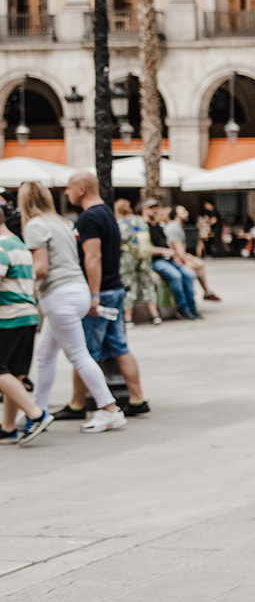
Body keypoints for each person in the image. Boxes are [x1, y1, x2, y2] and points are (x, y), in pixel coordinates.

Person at [16, 182, 124, 434]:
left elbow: (41, 267)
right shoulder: (61, 222)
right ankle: (39, 410)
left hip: (59, 294)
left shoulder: (35, 225)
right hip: (77, 290)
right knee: (46, 354)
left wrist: (19, 280)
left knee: (77, 354)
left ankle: (110, 409)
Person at [58, 173, 148, 419]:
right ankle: (137, 397)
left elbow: (93, 256)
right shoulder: (107, 213)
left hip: (101, 291)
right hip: (115, 288)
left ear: (81, 189)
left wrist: (93, 295)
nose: (66, 193)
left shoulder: (89, 218)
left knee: (83, 351)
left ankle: (77, 403)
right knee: (119, 346)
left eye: (68, 188)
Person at [0, 191, 51, 445]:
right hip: (28, 315)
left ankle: (36, 413)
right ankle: (8, 427)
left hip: (8, 317)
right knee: (15, 373)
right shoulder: (18, 244)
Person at [145, 204, 201, 319]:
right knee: (176, 276)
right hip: (157, 261)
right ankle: (183, 308)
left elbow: (168, 243)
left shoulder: (160, 227)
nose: (155, 211)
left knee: (188, 276)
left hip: (168, 259)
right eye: (152, 209)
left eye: (156, 208)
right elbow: (147, 249)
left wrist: (174, 255)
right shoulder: (145, 228)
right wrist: (165, 251)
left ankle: (192, 308)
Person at [114, 199, 161, 325]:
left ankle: (128, 318)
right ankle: (155, 315)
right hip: (144, 258)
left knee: (129, 286)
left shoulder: (119, 224)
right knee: (148, 284)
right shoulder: (140, 221)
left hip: (128, 259)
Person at [169, 206, 220, 300]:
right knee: (191, 270)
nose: (186, 212)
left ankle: (206, 292)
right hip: (174, 257)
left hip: (179, 254)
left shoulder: (178, 226)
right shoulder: (173, 227)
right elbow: (178, 250)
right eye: (183, 211)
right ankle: (191, 299)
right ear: (176, 214)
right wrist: (187, 262)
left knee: (199, 264)